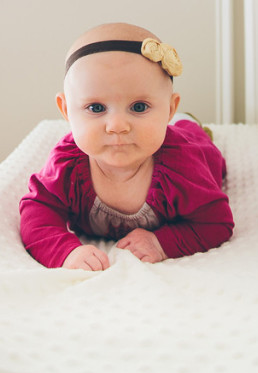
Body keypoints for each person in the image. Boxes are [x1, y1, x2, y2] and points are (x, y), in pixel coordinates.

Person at [19, 22, 234, 270]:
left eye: (139, 107)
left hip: (189, 141)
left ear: (168, 109)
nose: (118, 126)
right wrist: (65, 252)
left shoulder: (184, 167)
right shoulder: (66, 164)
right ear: (66, 110)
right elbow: (37, 213)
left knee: (196, 137)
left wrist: (161, 243)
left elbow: (216, 223)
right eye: (96, 108)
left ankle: (188, 122)